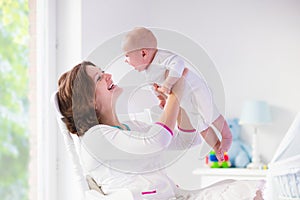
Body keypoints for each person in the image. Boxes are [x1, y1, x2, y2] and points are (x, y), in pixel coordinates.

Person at [57, 61, 264, 200]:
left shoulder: (131, 127)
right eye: (99, 78)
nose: (109, 75)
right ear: (90, 101)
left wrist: (177, 105)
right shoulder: (95, 138)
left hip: (174, 195)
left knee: (246, 188)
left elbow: (188, 141)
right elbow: (157, 141)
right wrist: (175, 95)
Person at [122, 27, 232, 161]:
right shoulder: (148, 72)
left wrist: (168, 83)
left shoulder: (162, 58)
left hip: (195, 90)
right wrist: (161, 99)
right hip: (185, 100)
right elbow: (154, 86)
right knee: (200, 124)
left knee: (210, 114)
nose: (125, 60)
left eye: (127, 55)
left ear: (143, 53)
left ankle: (226, 136)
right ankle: (217, 147)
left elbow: (178, 63)